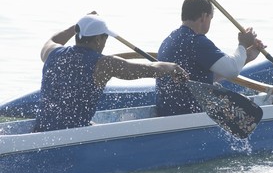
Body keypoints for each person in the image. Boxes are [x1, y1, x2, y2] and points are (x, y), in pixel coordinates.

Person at [34, 13, 188, 132]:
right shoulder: (104, 64)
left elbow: (52, 40)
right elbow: (146, 69)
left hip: (41, 130)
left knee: (91, 123)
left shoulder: (52, 53)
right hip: (73, 135)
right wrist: (172, 67)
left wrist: (80, 23)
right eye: (105, 37)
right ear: (99, 40)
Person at [156, 0, 266, 116]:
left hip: (167, 112)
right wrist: (243, 44)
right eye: (210, 18)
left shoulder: (169, 40)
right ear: (204, 16)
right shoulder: (197, 42)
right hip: (188, 115)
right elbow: (232, 70)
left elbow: (202, 77)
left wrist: (246, 56)